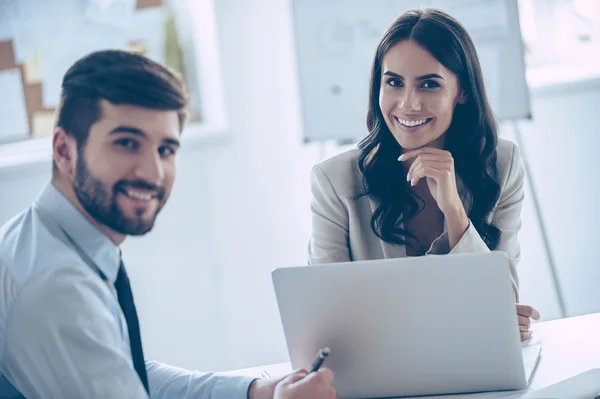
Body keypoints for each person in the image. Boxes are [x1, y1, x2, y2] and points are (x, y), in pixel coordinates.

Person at [0, 50, 336, 399]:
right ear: (64, 150)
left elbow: (126, 372)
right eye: (127, 143)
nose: (152, 173)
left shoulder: (45, 238)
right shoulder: (58, 290)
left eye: (165, 149)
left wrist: (255, 391)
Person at [307, 8, 540, 341]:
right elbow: (327, 322)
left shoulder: (501, 163)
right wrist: (469, 316)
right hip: (381, 374)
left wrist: (455, 212)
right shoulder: (334, 180)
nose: (408, 104)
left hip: (472, 364)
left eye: (429, 84)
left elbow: (503, 303)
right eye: (394, 83)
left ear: (463, 92)